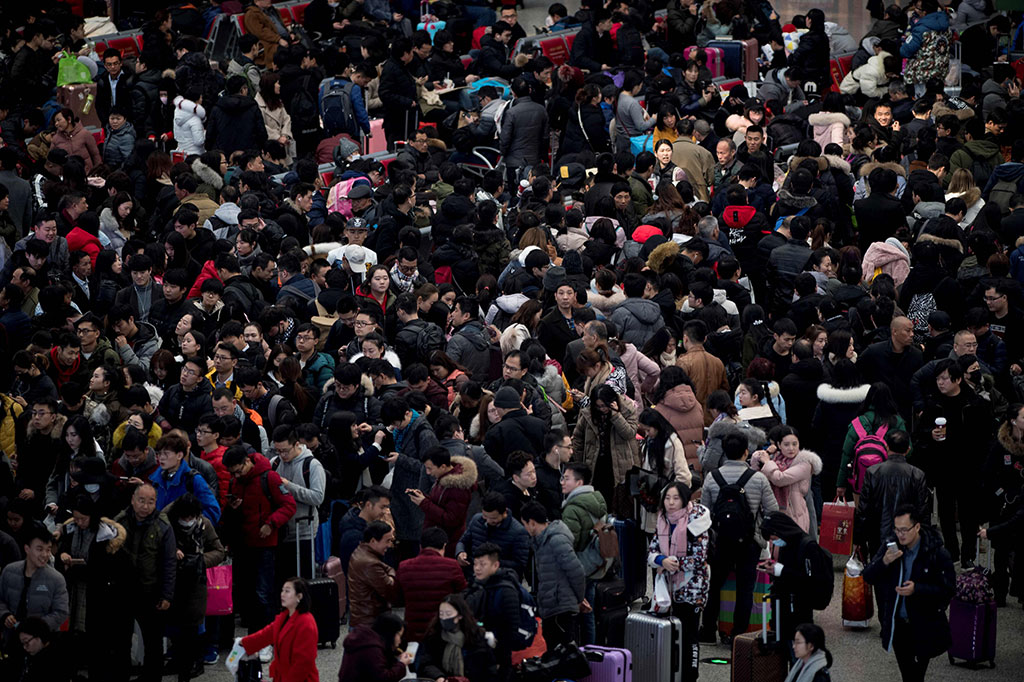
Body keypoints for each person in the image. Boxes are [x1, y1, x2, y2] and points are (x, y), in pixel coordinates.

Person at [701, 432, 779, 643]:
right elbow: (773, 510)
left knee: (714, 585)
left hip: (720, 541)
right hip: (750, 542)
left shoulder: (712, 477)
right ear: (746, 452)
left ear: (725, 452)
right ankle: (738, 635)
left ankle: (708, 631)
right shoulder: (758, 478)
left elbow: (704, 511)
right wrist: (761, 533)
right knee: (745, 589)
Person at [863, 504, 955, 682]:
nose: (900, 534)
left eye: (905, 530)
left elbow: (948, 589)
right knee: (908, 674)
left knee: (916, 675)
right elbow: (868, 576)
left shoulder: (935, 552)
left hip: (923, 624)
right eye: (897, 530)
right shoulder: (891, 547)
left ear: (917, 527)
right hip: (899, 624)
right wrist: (884, 561)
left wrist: (917, 589)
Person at [647, 481, 711, 681]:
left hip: (692, 587)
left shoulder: (696, 521)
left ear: (684, 500)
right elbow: (652, 551)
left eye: (676, 498)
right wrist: (661, 560)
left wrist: (672, 563)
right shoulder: (662, 519)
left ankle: (690, 676)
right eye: (667, 498)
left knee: (689, 636)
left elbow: (699, 557)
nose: (671, 503)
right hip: (668, 587)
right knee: (670, 634)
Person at [113, 483, 176, 682]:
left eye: (151, 502)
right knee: (121, 639)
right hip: (123, 590)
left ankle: (151, 677)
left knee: (153, 641)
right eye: (141, 501)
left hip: (151, 591)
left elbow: (169, 563)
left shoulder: (163, 525)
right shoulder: (119, 522)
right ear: (133, 500)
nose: (145, 506)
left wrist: (166, 595)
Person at [856, 430, 931, 560]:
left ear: (887, 447)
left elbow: (863, 511)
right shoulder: (917, 475)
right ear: (908, 449)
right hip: (908, 536)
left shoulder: (873, 472)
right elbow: (923, 512)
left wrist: (859, 540)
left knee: (880, 568)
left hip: (878, 536)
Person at [521, 501, 586, 649]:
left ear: (532, 523)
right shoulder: (541, 541)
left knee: (563, 653)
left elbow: (577, 571)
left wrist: (579, 599)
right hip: (552, 606)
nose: (524, 528)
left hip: (561, 607)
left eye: (524, 524)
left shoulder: (556, 540)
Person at [395, 527, 467, 643]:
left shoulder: (404, 567)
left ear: (420, 546)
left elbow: (397, 598)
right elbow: (462, 595)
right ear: (444, 546)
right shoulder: (452, 566)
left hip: (413, 631)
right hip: (441, 630)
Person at [240, 578, 319, 682]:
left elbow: (303, 663)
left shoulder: (306, 623)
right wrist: (243, 642)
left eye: (287, 591)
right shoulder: (284, 617)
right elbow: (266, 635)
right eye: (282, 590)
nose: (282, 594)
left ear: (299, 596)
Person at [751, 425, 822, 534]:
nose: (791, 448)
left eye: (795, 444)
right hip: (775, 513)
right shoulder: (776, 459)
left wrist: (767, 462)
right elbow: (756, 469)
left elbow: (780, 479)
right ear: (778, 445)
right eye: (786, 444)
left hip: (795, 515)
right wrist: (767, 453)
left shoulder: (804, 463)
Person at [462, 542, 522, 671]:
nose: (477, 568)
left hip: (498, 657)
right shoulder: (474, 586)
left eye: (482, 564)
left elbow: (511, 630)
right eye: (475, 564)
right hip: (476, 653)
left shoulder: (506, 590)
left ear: (495, 565)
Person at [409, 446, 477, 557]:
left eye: (430, 468)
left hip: (447, 543)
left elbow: (451, 519)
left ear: (443, 466)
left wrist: (424, 503)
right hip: (436, 537)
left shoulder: (457, 487)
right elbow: (439, 503)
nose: (428, 472)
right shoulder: (444, 478)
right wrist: (423, 498)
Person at [415, 594, 498, 682]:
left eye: (448, 614)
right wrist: (438, 676)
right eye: (441, 614)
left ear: (460, 615)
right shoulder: (433, 636)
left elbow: (488, 669)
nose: (444, 618)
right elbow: (424, 663)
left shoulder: (476, 637)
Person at [456, 492, 533, 580]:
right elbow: (463, 542)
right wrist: (460, 552)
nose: (488, 521)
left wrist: (491, 563)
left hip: (501, 580)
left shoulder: (519, 532)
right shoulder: (476, 520)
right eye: (485, 516)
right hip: (472, 577)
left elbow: (520, 565)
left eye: (493, 518)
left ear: (504, 513)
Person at [347, 520, 399, 627]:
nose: (390, 545)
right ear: (373, 541)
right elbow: (390, 591)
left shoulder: (361, 552)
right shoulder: (370, 564)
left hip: (364, 620)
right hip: (369, 623)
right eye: (387, 541)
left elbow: (389, 569)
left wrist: (389, 574)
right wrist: (391, 576)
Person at [337, 612, 413, 682]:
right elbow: (385, 678)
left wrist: (395, 655)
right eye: (399, 635)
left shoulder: (369, 640)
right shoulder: (372, 649)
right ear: (390, 634)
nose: (400, 640)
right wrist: (402, 664)